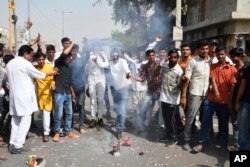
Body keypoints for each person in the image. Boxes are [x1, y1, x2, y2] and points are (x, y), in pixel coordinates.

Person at [5, 45, 57, 154]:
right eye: (30, 55)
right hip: (24, 96)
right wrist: (51, 73)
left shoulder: (10, 64)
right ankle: (18, 145)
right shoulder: (25, 63)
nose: (31, 57)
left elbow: (6, 79)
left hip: (14, 96)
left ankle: (12, 142)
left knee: (15, 120)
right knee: (25, 120)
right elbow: (38, 74)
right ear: (26, 54)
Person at [192, 46, 237, 154]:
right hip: (211, 99)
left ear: (225, 54)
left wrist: (230, 102)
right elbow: (213, 81)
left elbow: (233, 87)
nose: (220, 56)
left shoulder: (232, 69)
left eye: (222, 54)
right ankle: (201, 143)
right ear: (215, 55)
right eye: (218, 54)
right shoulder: (212, 67)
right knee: (205, 121)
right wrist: (216, 94)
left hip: (225, 101)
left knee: (223, 124)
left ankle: (223, 145)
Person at [180, 40, 211, 151]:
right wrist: (184, 96)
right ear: (198, 50)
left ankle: (202, 141)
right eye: (202, 49)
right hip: (194, 93)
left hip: (207, 94)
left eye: (206, 49)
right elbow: (187, 79)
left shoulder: (211, 61)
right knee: (190, 117)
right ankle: (187, 141)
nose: (205, 51)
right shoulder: (193, 62)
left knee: (206, 118)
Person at [53, 38, 79, 142]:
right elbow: (64, 54)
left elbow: (70, 82)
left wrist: (72, 93)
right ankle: (57, 133)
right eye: (67, 58)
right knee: (58, 114)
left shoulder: (70, 66)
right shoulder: (58, 62)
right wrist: (71, 43)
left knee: (69, 113)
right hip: (59, 92)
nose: (68, 60)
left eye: (69, 58)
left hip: (67, 92)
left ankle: (68, 132)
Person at [157, 49, 183, 147]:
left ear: (178, 58)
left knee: (172, 120)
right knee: (166, 118)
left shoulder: (179, 71)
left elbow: (181, 86)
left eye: (175, 57)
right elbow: (156, 73)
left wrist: (182, 82)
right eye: (171, 57)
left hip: (173, 99)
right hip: (164, 97)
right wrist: (162, 61)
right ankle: (168, 135)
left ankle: (174, 138)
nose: (172, 59)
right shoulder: (164, 66)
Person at [133, 49, 162, 132]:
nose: (151, 57)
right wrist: (133, 76)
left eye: (153, 55)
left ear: (155, 55)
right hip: (150, 91)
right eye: (149, 55)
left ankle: (161, 126)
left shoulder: (159, 63)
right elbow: (142, 79)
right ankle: (146, 123)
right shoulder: (144, 66)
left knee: (161, 110)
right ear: (147, 57)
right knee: (148, 108)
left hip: (159, 91)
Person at [109, 50, 132, 139]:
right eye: (113, 56)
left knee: (121, 110)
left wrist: (128, 73)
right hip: (115, 89)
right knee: (117, 108)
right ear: (111, 56)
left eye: (117, 56)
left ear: (119, 56)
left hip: (124, 88)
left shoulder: (123, 62)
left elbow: (126, 70)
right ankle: (120, 122)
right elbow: (102, 65)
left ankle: (119, 130)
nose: (115, 58)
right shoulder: (110, 63)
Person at [34, 52, 55, 142]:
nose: (41, 61)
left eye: (43, 59)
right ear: (37, 61)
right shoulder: (34, 69)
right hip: (39, 95)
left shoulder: (49, 67)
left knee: (46, 113)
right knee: (43, 114)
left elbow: (54, 78)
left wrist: (53, 83)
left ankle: (46, 133)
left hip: (48, 94)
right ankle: (47, 130)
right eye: (39, 60)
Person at [85, 49, 109, 128]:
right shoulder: (89, 55)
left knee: (101, 100)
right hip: (91, 79)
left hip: (101, 79)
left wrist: (100, 58)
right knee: (93, 100)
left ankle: (100, 117)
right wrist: (88, 84)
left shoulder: (102, 54)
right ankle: (93, 118)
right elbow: (86, 69)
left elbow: (105, 65)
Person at [228, 48, 246, 151]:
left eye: (234, 56)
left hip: (243, 100)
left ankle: (240, 144)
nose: (232, 58)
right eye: (231, 56)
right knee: (235, 122)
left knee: (242, 124)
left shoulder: (246, 69)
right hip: (234, 98)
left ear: (240, 57)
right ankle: (236, 143)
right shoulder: (233, 68)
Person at [69, 44, 88, 133]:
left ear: (77, 51)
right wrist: (71, 90)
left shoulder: (81, 61)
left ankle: (81, 125)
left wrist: (86, 45)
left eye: (75, 50)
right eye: (72, 50)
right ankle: (71, 125)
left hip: (81, 87)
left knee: (81, 106)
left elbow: (87, 55)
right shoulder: (68, 62)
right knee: (71, 107)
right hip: (71, 88)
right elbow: (67, 77)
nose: (74, 52)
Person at [236, 64, 250, 150]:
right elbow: (243, 86)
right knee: (243, 129)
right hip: (247, 103)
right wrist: (237, 101)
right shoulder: (248, 69)